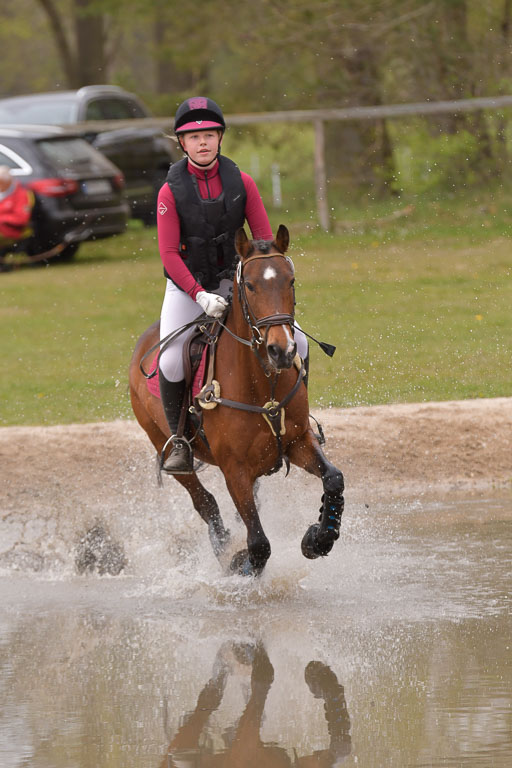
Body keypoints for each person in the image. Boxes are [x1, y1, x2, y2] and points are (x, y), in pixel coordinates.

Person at [156, 97, 307, 474]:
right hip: (188, 287)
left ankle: (300, 423)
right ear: (182, 143)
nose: (202, 142)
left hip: (238, 284)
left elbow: (263, 241)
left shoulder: (243, 182)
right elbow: (170, 255)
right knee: (171, 358)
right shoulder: (169, 192)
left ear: (220, 138)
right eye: (193, 137)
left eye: (209, 134)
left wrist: (259, 280)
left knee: (299, 341)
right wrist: (199, 295)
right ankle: (180, 440)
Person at [0, 166, 33, 244]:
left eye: (1, 183)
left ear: (7, 182)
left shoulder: (21, 194)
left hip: (10, 234)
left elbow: (21, 219)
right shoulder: (3, 192)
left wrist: (2, 219)